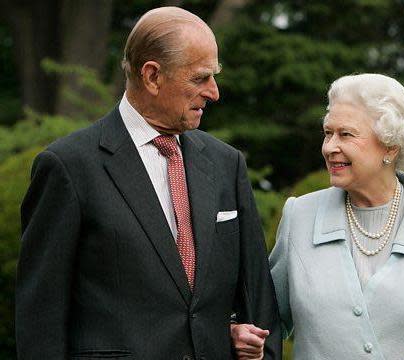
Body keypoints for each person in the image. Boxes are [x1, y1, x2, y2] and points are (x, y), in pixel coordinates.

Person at [16, 7, 281, 360]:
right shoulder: (68, 167)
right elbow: (40, 320)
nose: (214, 93)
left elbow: (258, 301)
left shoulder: (226, 164)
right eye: (200, 78)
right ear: (153, 76)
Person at [232, 74, 404, 359]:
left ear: (390, 146)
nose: (329, 147)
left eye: (346, 134)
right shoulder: (299, 216)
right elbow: (265, 321)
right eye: (328, 133)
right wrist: (243, 335)